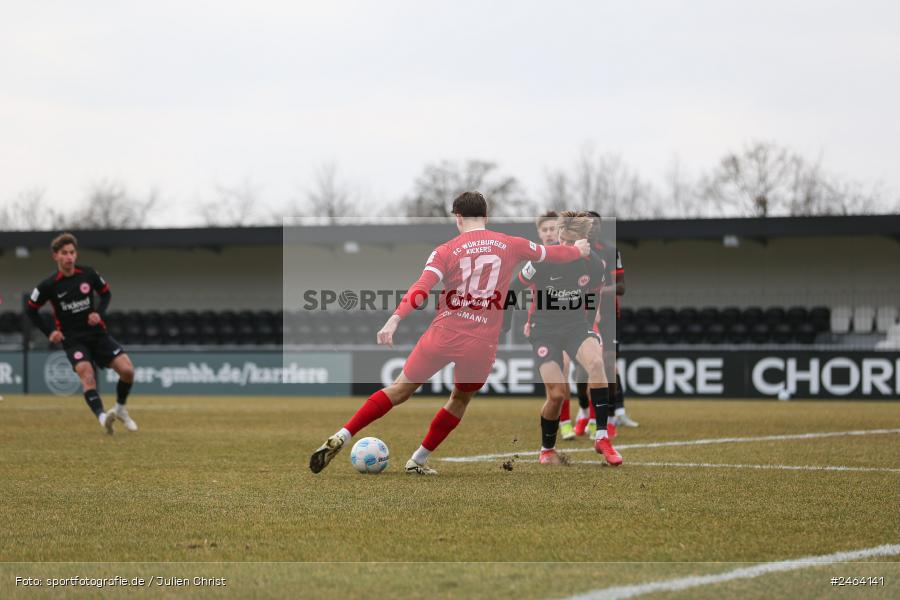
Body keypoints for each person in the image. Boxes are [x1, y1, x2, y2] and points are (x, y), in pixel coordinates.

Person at [309, 191, 590, 475]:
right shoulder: (510, 243)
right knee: (459, 399)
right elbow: (552, 254)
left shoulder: (446, 250)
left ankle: (343, 434)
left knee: (399, 389)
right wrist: (577, 250)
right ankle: (418, 459)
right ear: (486, 216)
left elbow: (422, 287)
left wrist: (395, 318)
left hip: (443, 334)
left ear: (458, 217)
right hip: (481, 343)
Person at [515, 211, 622, 466]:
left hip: (576, 326)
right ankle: (547, 449)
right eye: (561, 240)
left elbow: (594, 295)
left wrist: (590, 324)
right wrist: (509, 323)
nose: (563, 245)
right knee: (557, 394)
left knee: (597, 363)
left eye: (570, 242)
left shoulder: (595, 265)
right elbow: (514, 287)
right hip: (544, 330)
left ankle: (602, 437)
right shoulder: (542, 259)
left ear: (584, 240)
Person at [25, 233, 137, 434]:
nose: (69, 257)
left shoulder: (88, 273)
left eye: (72, 252)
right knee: (87, 374)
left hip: (97, 334)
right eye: (64, 253)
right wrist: (50, 332)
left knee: (128, 371)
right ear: (55, 256)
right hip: (73, 340)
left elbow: (106, 294)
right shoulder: (49, 285)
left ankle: (120, 409)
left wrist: (98, 313)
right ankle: (103, 418)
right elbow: (31, 309)